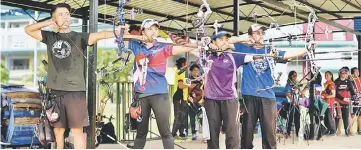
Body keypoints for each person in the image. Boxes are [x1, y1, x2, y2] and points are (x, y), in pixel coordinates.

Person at [24, 3, 138, 149]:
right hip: (55, 92)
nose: (65, 17)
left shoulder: (80, 37)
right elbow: (28, 29)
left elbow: (100, 35)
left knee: (78, 130)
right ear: (54, 19)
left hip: (76, 92)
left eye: (67, 14)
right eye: (60, 15)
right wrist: (48, 23)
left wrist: (116, 31)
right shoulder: (49, 37)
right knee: (58, 130)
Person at [232, 24, 310, 149]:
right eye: (257, 33)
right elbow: (225, 43)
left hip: (267, 96)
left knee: (269, 131)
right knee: (247, 130)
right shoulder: (242, 49)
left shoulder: (270, 51)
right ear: (251, 35)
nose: (261, 35)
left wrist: (307, 48)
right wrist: (244, 38)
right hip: (249, 95)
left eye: (262, 33)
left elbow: (288, 54)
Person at [129, 19, 198, 149]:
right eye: (150, 29)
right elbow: (124, 37)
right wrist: (140, 37)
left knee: (165, 132)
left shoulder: (162, 47)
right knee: (141, 132)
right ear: (143, 31)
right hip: (141, 94)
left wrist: (199, 44)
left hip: (159, 94)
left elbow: (183, 47)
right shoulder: (136, 45)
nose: (153, 31)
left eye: (155, 29)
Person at [203, 31, 262, 149]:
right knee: (212, 134)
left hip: (229, 99)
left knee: (232, 133)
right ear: (213, 41)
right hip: (211, 99)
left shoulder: (233, 56)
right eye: (221, 39)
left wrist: (258, 49)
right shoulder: (206, 56)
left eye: (226, 39)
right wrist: (208, 45)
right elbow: (194, 44)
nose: (224, 42)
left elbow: (253, 56)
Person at [334, 68, 356, 136]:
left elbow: (352, 91)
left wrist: (354, 96)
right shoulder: (336, 81)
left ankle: (347, 132)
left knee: (346, 117)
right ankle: (335, 131)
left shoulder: (348, 81)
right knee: (338, 116)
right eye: (342, 73)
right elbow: (335, 93)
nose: (344, 74)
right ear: (340, 73)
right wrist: (343, 98)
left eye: (345, 73)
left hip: (346, 102)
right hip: (338, 101)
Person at [171, 57, 189, 140]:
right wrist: (189, 86)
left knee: (182, 116)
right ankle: (173, 134)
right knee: (178, 116)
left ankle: (181, 133)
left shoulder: (183, 73)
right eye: (186, 63)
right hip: (179, 96)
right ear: (183, 64)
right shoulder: (180, 73)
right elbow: (181, 86)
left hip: (183, 97)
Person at [187, 64, 203, 141]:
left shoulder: (200, 79)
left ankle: (205, 134)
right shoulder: (188, 79)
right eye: (195, 70)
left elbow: (203, 88)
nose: (196, 72)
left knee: (202, 117)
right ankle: (193, 133)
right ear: (191, 71)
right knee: (192, 117)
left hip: (200, 101)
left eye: (197, 70)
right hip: (191, 101)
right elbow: (186, 89)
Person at [284, 71, 303, 137]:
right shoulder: (288, 84)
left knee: (297, 118)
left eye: (296, 75)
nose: (295, 77)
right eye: (294, 76)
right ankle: (288, 132)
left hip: (297, 102)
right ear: (291, 76)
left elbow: (299, 93)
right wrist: (294, 100)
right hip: (291, 103)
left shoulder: (297, 83)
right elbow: (287, 93)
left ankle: (297, 132)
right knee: (290, 118)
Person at [321, 71, 337, 136]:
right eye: (325, 75)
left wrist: (325, 96)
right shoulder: (324, 83)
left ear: (331, 76)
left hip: (330, 103)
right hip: (324, 103)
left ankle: (333, 131)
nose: (326, 76)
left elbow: (333, 95)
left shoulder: (332, 84)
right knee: (326, 117)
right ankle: (327, 130)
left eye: (327, 75)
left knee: (331, 117)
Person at [350, 67, 361, 135]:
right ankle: (350, 129)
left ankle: (359, 130)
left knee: (360, 116)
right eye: (355, 71)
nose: (357, 73)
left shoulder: (360, 80)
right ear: (352, 73)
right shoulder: (351, 81)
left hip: (360, 99)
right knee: (353, 115)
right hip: (355, 100)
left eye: (358, 71)